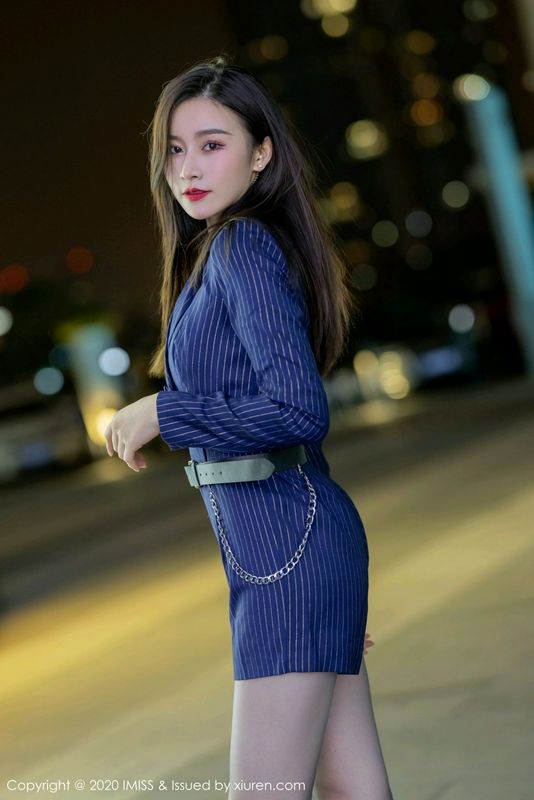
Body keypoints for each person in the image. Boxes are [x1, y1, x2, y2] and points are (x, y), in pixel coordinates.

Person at [105, 55, 393, 800]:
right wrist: (333, 578)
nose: (187, 167)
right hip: (294, 549)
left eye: (213, 144)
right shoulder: (215, 255)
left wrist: (163, 410)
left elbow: (298, 410)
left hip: (289, 555)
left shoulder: (242, 246)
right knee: (353, 792)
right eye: (175, 148)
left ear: (261, 154)